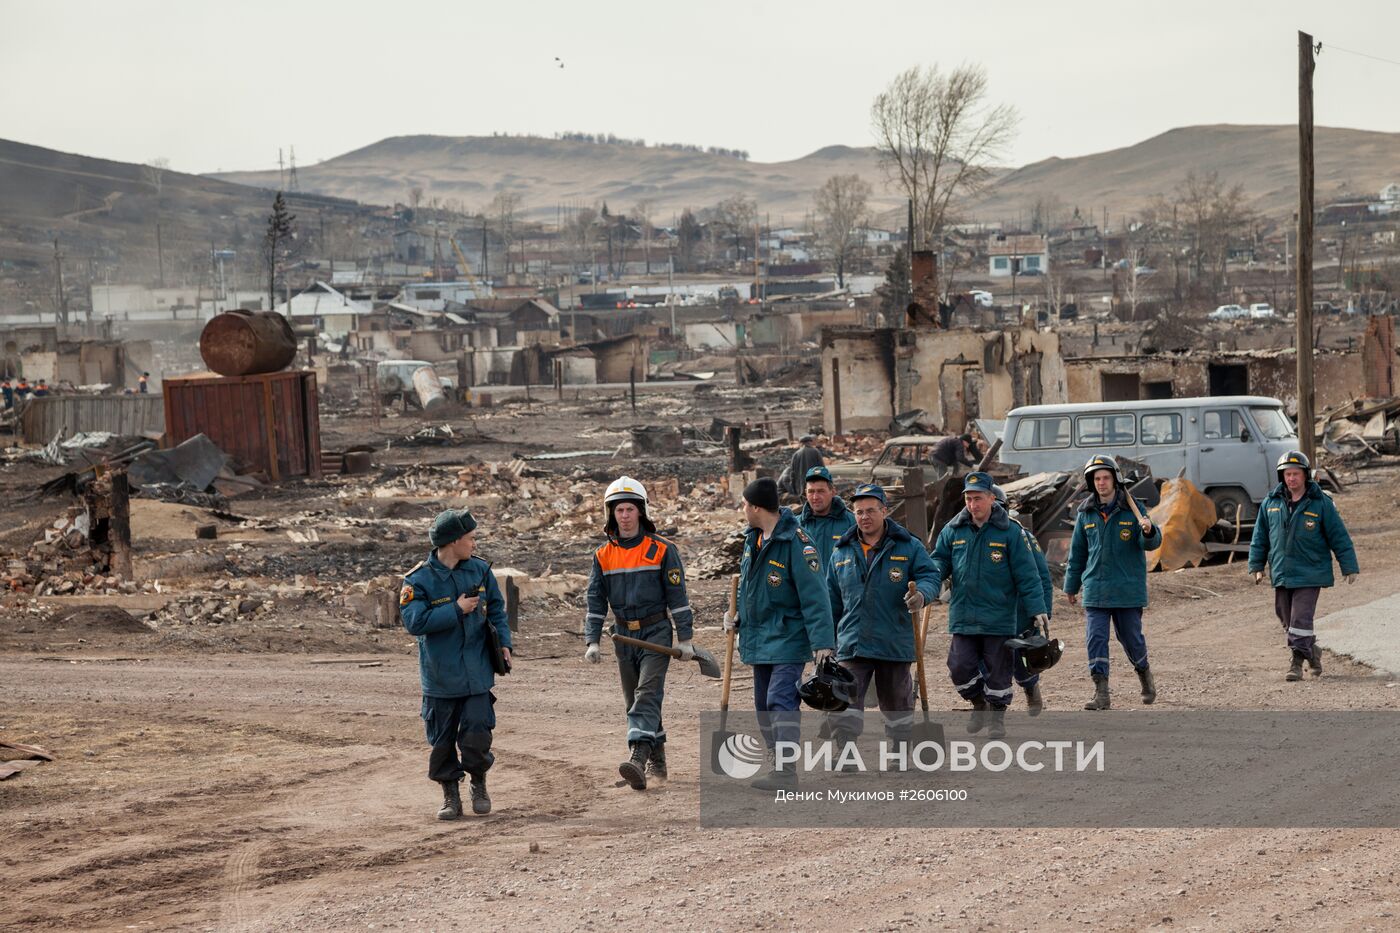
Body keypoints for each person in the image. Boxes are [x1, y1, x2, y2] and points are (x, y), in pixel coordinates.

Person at [582, 476, 695, 790]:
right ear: (611, 514)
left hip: (656, 633)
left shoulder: (661, 550)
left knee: (646, 694)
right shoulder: (603, 556)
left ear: (641, 511)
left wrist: (685, 639)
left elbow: (678, 597)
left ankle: (637, 758)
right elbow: (594, 599)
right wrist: (592, 639)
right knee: (635, 698)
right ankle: (657, 759)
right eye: (619, 510)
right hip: (622, 636)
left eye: (630, 509)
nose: (625, 516)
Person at [400, 509, 511, 821]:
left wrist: (504, 643)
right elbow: (414, 622)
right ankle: (450, 795)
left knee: (478, 733)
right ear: (452, 541)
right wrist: (455, 609)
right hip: (440, 677)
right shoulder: (418, 580)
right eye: (471, 538)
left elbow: (498, 610)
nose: (475, 544)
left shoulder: (479, 571)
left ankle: (478, 782)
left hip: (476, 672)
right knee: (442, 741)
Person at [727, 476, 833, 789]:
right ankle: (778, 762)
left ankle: (787, 772)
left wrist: (823, 643)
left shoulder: (797, 543)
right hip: (760, 638)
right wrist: (734, 617)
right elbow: (750, 589)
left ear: (757, 507)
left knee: (780, 698)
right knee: (762, 705)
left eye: (745, 504)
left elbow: (816, 595)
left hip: (789, 637)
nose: (742, 509)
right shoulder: (753, 540)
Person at [930, 471, 1048, 738]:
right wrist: (932, 578)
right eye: (969, 499)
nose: (973, 505)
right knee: (959, 667)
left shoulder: (1011, 532)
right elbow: (939, 560)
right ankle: (977, 702)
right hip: (963, 614)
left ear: (992, 498)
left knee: (998, 671)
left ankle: (996, 717)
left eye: (978, 498)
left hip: (999, 616)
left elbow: (1027, 574)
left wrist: (1038, 608)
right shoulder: (953, 530)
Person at [826, 483, 938, 751]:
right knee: (845, 699)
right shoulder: (841, 551)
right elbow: (831, 599)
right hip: (852, 640)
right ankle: (845, 753)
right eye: (859, 512)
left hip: (894, 639)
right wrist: (826, 640)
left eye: (870, 511)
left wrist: (921, 595)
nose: (864, 517)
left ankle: (900, 751)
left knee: (897, 701)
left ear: (885, 511)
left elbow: (930, 576)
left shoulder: (909, 546)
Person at [1248, 450, 1359, 681]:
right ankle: (1313, 652)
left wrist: (1349, 565)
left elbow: (1338, 536)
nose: (1291, 479)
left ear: (1305, 475)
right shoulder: (1270, 503)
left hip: (1311, 572)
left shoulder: (1321, 503)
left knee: (1300, 619)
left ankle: (1296, 664)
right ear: (1282, 476)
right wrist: (1256, 565)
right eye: (1287, 474)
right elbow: (1260, 537)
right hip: (1282, 571)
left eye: (1296, 474)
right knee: (1285, 617)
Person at [1063, 454, 1162, 711]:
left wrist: (1149, 530)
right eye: (1097, 478)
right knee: (1095, 638)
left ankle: (1144, 674)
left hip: (1127, 588)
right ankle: (1101, 693)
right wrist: (1071, 586)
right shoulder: (1085, 514)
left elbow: (1150, 543)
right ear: (1091, 481)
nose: (1102, 482)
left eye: (1106, 477)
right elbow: (1078, 554)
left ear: (1115, 480)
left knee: (1131, 639)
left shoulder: (1134, 510)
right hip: (1096, 588)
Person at [993, 483, 1054, 714]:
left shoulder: (1022, 537)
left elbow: (1041, 576)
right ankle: (993, 707)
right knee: (987, 662)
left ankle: (1030, 689)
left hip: (1018, 613)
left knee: (1022, 663)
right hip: (988, 614)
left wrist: (1043, 611)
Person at [797, 465, 856, 572]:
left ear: (833, 491)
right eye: (811, 492)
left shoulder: (851, 523)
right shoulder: (796, 525)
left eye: (821, 491)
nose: (815, 497)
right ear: (805, 493)